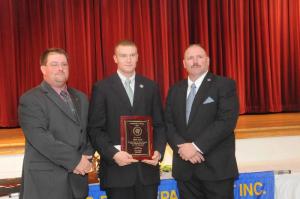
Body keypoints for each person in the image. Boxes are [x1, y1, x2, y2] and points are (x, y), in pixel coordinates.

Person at [88, 40, 166, 199]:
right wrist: (113, 154)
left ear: (138, 57)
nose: (128, 60)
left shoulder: (151, 86)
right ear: (115, 59)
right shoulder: (102, 88)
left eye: (132, 55)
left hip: (147, 172)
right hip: (117, 172)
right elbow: (95, 129)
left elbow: (160, 125)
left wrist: (158, 151)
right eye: (123, 56)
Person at [165, 44, 239, 199]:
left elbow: (226, 122)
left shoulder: (224, 85)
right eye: (190, 58)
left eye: (199, 57)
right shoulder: (174, 90)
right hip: (185, 171)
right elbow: (168, 124)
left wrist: (195, 147)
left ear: (208, 61)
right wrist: (183, 150)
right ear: (184, 63)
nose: (195, 61)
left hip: (216, 170)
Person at [18, 48, 94, 199]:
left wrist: (87, 155)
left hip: (77, 181)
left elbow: (88, 132)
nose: (60, 68)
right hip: (46, 184)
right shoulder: (30, 99)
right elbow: (41, 139)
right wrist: (76, 161)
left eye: (64, 64)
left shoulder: (81, 97)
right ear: (43, 69)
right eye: (54, 64)